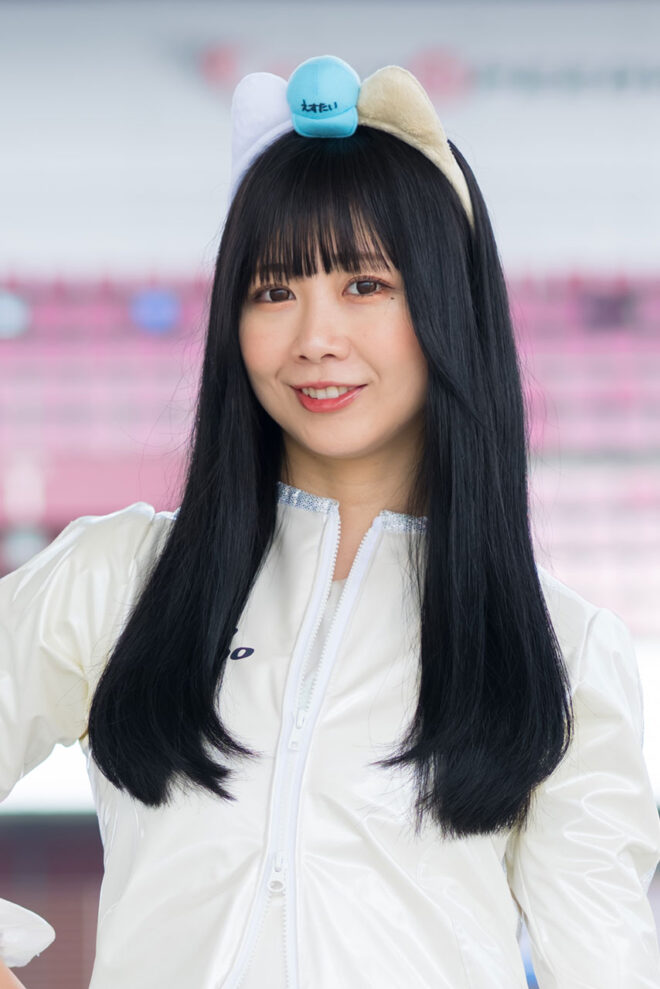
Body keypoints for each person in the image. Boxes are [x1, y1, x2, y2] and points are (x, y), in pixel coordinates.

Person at [1, 53, 659, 989]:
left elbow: (607, 967)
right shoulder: (117, 577)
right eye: (273, 290)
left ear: (447, 303)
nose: (314, 338)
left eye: (365, 285)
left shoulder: (562, 652)